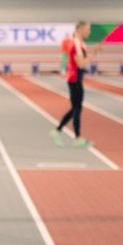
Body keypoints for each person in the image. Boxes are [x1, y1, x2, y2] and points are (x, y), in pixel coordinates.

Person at [52, 20, 93, 150]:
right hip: (74, 79)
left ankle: (59, 131)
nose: (89, 31)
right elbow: (81, 64)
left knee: (76, 108)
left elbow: (82, 63)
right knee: (77, 108)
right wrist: (92, 55)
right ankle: (77, 138)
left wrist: (91, 55)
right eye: (87, 29)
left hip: (76, 78)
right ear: (80, 29)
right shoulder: (75, 44)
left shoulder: (80, 43)